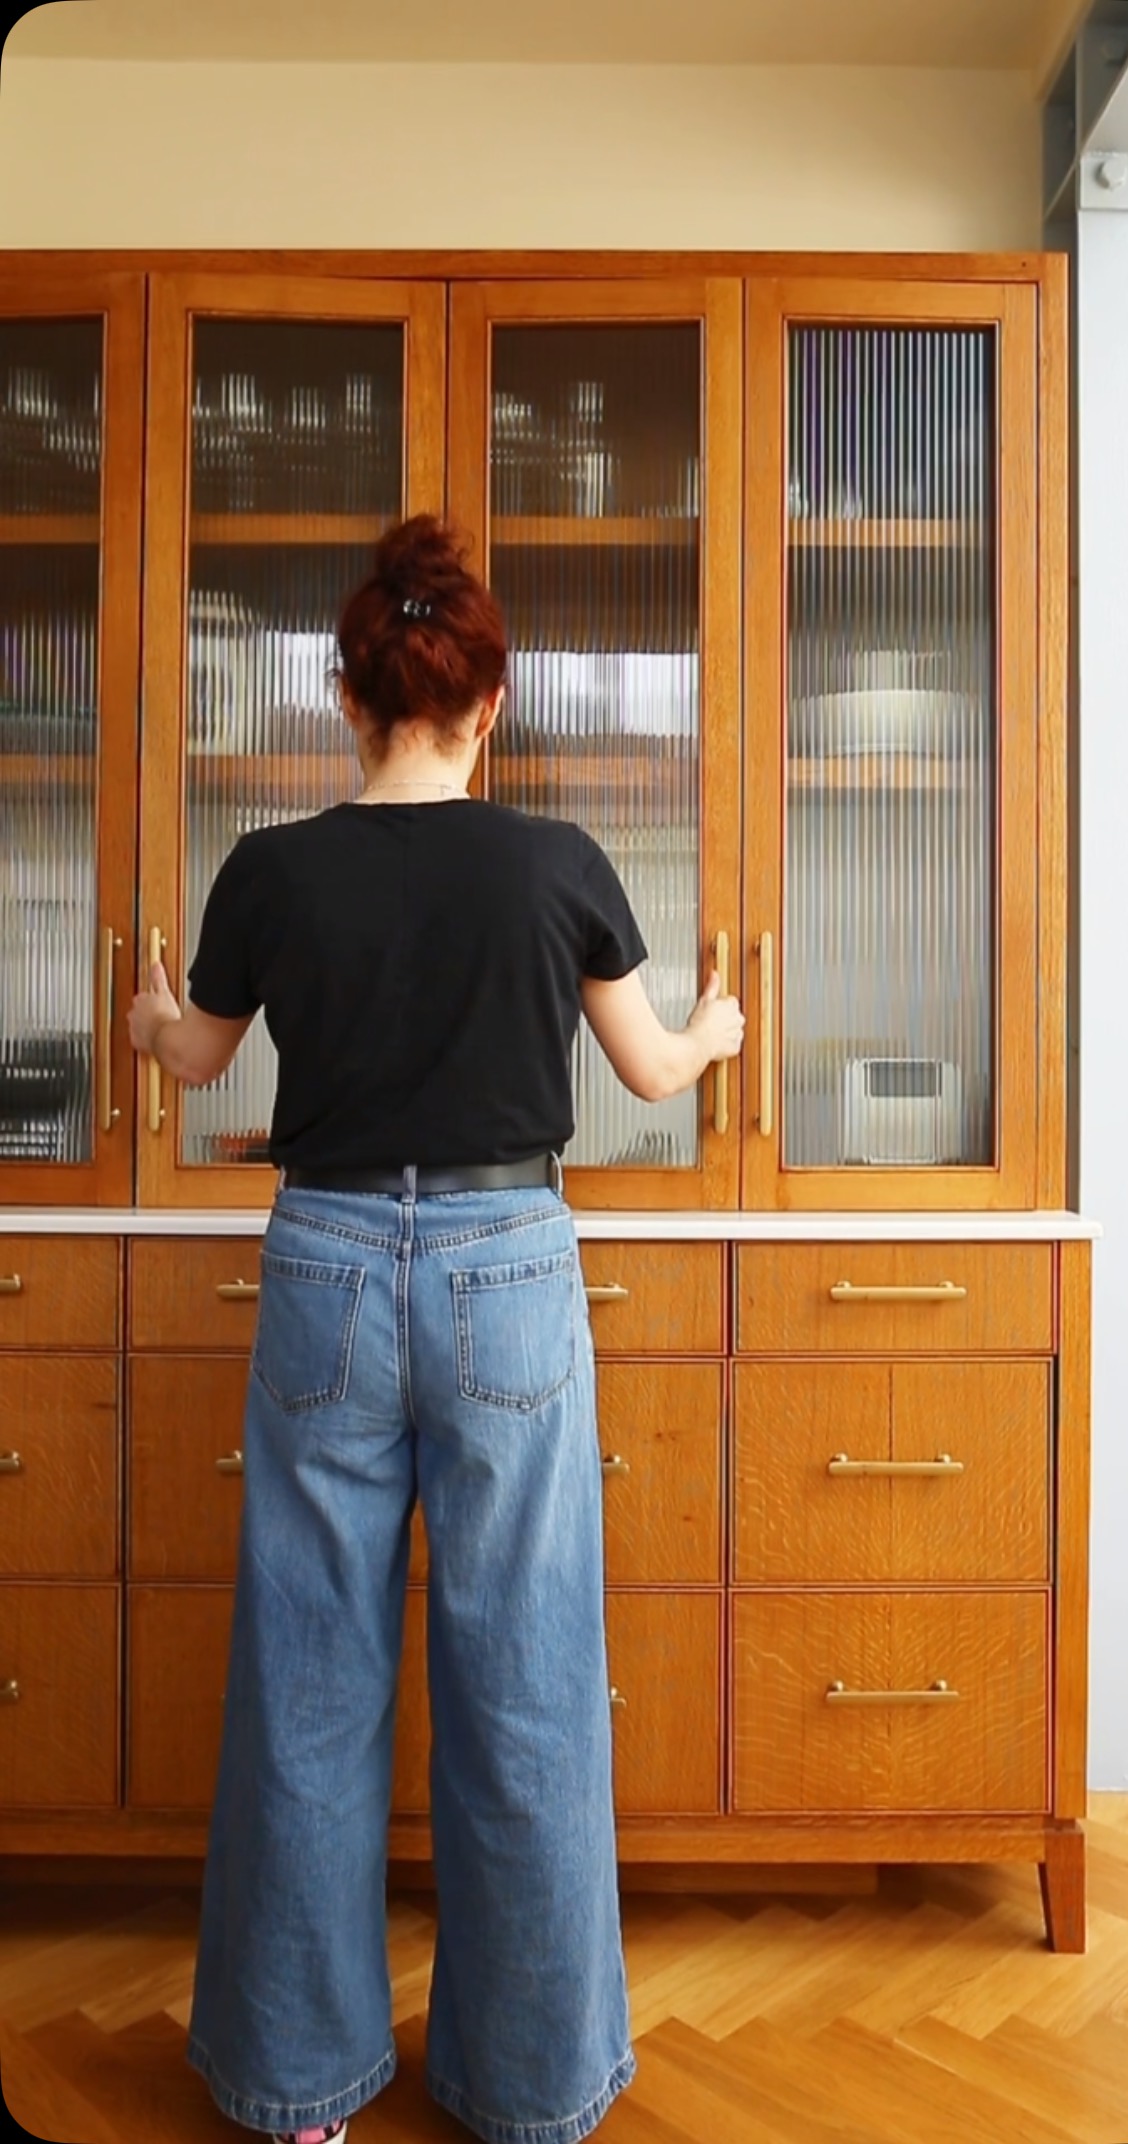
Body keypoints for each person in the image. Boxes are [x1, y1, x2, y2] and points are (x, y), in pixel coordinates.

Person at [127, 514, 745, 2144]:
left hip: (325, 1255)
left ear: (348, 696)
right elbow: (651, 1076)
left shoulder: (271, 864)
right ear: (491, 703)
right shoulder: (558, 864)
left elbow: (195, 1061)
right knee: (526, 1673)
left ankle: (292, 2088)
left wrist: (143, 1017)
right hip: (504, 1266)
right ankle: (529, 2086)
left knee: (309, 1676)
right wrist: (720, 1023)